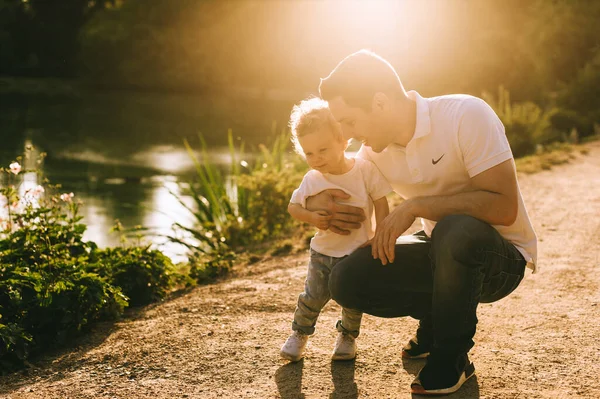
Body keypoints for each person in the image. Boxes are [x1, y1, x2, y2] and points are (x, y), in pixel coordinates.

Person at [305, 50, 538, 395]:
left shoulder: (466, 115)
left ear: (380, 103)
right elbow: (338, 172)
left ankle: (452, 357)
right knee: (347, 279)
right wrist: (315, 202)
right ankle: (436, 321)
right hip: (439, 250)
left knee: (455, 230)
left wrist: (417, 206)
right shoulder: (373, 153)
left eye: (351, 122)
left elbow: (505, 208)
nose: (349, 136)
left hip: (501, 259)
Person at [280, 97, 393, 362]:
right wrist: (311, 217)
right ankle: (299, 334)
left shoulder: (364, 170)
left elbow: (381, 200)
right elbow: (293, 207)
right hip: (323, 253)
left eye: (323, 150)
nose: (316, 159)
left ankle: (347, 337)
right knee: (313, 297)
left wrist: (379, 235)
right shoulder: (312, 179)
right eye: (309, 153)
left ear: (343, 141)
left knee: (353, 301)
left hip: (356, 252)